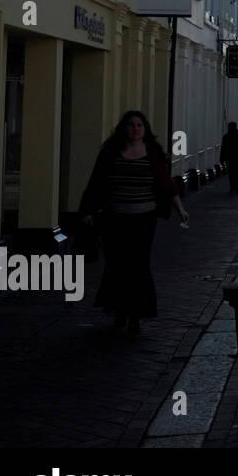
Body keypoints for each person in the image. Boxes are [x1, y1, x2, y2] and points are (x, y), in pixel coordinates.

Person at [78, 110, 189, 336]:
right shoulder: (111, 152)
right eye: (131, 125)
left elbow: (166, 183)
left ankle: (136, 315)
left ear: (145, 129)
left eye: (139, 125)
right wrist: (87, 210)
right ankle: (119, 310)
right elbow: (97, 180)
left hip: (143, 219)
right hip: (114, 218)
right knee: (116, 264)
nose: (136, 129)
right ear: (124, 129)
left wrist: (180, 207)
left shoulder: (153, 153)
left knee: (138, 265)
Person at [219, 122, 238, 194]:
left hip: (229, 158)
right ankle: (236, 186)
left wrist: (221, 159)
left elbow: (223, 148)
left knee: (231, 173)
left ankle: (232, 186)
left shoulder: (226, 137)